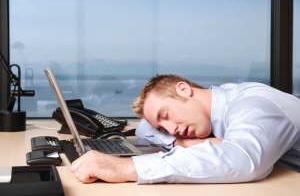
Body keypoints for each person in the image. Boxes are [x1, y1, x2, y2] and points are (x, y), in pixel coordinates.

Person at [71, 74, 300, 184]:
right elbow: (143, 129)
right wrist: (184, 143)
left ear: (183, 89)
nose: (172, 130)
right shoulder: (214, 102)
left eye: (166, 116)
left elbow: (244, 161)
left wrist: (126, 167)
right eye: (162, 127)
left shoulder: (253, 105)